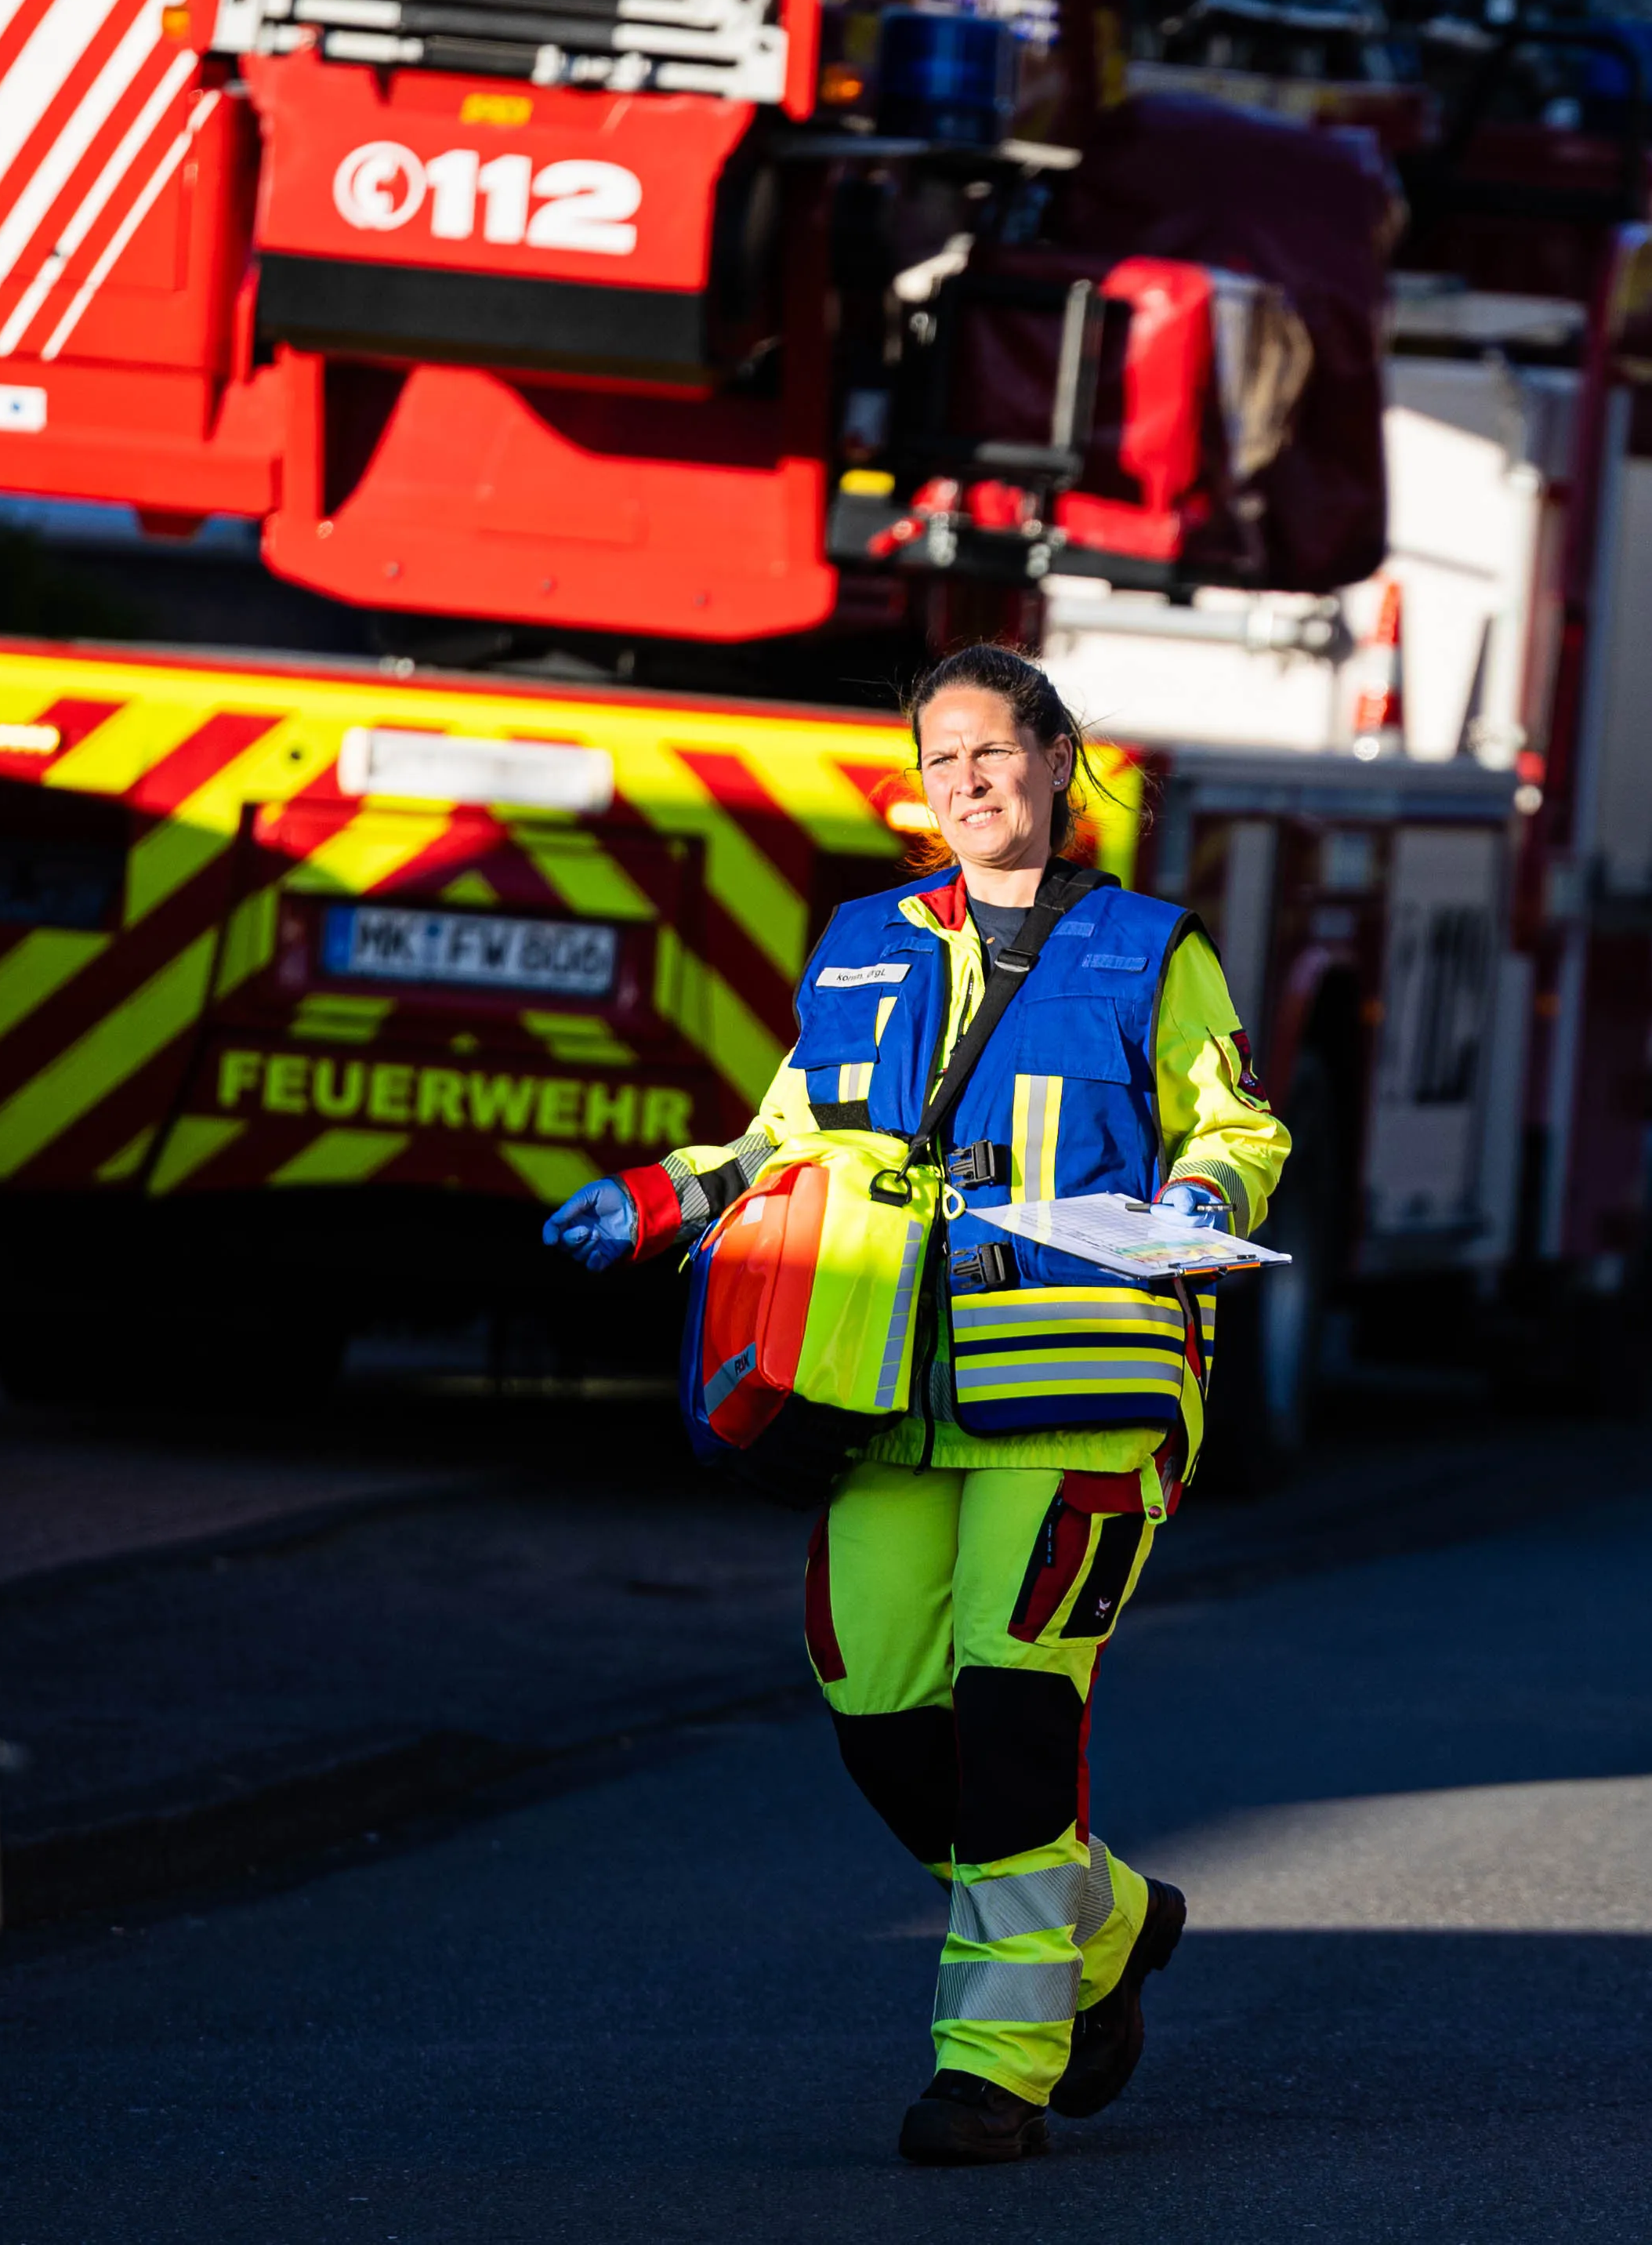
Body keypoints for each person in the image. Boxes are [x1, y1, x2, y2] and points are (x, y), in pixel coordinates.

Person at [538, 644, 1290, 2166]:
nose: (966, 784)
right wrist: (665, 1193)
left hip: (1076, 1383)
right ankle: (1111, 1921)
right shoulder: (863, 943)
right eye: (940, 760)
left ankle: (994, 2062)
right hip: (880, 1383)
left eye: (991, 754)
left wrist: (1200, 1192)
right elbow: (787, 1134)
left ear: (1058, 761)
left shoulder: (1151, 947)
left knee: (1015, 1706)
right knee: (880, 1715)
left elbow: (1234, 1119)